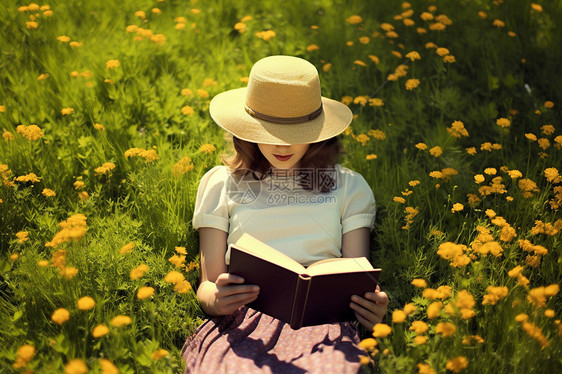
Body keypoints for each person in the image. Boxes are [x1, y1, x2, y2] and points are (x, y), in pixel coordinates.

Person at [182, 55, 389, 373]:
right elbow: (207, 284)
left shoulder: (348, 186)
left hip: (322, 324)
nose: (282, 144)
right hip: (242, 321)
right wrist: (215, 299)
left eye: (297, 131)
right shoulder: (221, 183)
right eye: (269, 130)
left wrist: (371, 309)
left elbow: (357, 276)